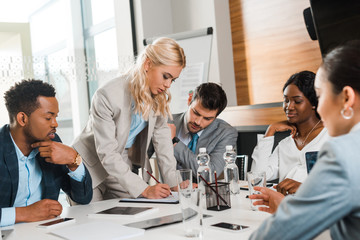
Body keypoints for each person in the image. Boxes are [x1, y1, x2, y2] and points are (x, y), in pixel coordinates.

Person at [249, 40, 360, 239]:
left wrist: (291, 209)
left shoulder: (344, 152)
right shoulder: (286, 142)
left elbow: (278, 232)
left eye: (320, 96)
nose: (320, 107)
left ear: (347, 98)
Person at [72, 37, 186, 201]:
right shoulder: (107, 95)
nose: (168, 85)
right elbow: (107, 152)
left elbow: (163, 142)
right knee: (95, 221)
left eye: (172, 80)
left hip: (121, 163)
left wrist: (173, 182)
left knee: (138, 210)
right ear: (148, 64)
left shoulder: (158, 97)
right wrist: (144, 189)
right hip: (91, 165)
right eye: (165, 76)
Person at [0, 80, 92, 227]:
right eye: (48, 118)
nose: (55, 124)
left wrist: (73, 160)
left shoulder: (53, 143)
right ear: (22, 119)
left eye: (56, 117)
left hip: (46, 231)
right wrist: (24, 213)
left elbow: (83, 198)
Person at [251, 71, 328, 194]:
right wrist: (270, 131)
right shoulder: (285, 144)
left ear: (314, 103)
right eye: (286, 100)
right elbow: (256, 178)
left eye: (297, 101)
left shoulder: (331, 136)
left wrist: (305, 188)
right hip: (285, 208)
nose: (289, 107)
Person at [168, 82, 238, 180]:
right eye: (196, 113)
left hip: (204, 193)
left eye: (207, 119)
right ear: (189, 100)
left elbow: (209, 175)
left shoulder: (226, 133)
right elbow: (140, 160)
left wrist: (175, 142)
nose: (198, 122)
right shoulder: (165, 122)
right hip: (168, 193)